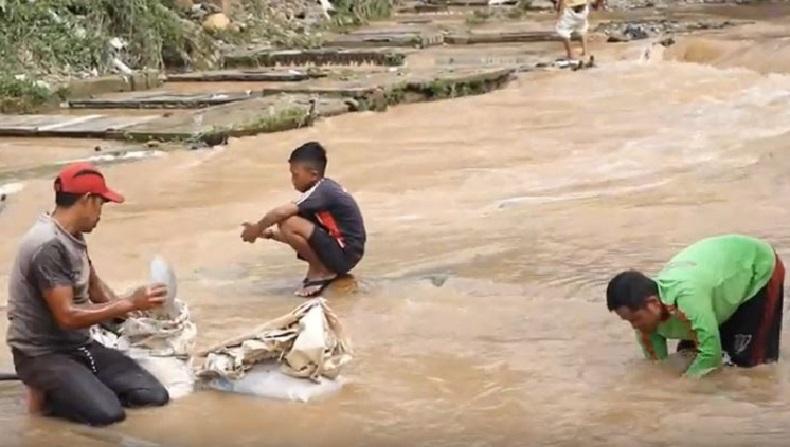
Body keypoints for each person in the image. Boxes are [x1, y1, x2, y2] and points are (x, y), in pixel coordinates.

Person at [6, 162, 170, 426]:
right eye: (102, 204)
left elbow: (94, 286)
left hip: (79, 346)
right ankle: (45, 392)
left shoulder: (73, 236)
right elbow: (67, 316)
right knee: (108, 415)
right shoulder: (47, 245)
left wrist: (133, 311)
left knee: (153, 396)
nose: (101, 213)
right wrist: (127, 303)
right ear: (87, 200)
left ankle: (77, 386)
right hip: (41, 354)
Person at [606, 235, 784, 378]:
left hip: (756, 267)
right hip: (714, 282)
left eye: (636, 319)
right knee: (687, 355)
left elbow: (710, 355)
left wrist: (683, 387)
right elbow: (657, 364)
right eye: (628, 321)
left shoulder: (687, 299)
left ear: (652, 304)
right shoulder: (646, 321)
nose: (634, 326)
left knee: (752, 365)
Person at [240, 142, 366, 297]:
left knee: (287, 220)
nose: (292, 180)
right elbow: (304, 236)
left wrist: (256, 229)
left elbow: (280, 214)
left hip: (345, 253)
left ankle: (320, 271)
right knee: (289, 222)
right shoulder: (321, 192)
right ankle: (322, 269)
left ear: (313, 174)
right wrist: (267, 234)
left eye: (295, 175)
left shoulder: (322, 191)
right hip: (345, 253)